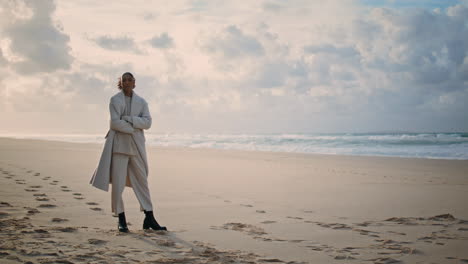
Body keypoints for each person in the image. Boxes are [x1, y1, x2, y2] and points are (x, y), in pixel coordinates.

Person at [89, 72, 167, 232]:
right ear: (121, 83)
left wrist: (129, 119)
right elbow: (114, 124)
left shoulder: (142, 101)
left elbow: (148, 123)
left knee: (142, 182)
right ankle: (121, 219)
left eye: (129, 79)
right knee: (118, 185)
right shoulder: (115, 100)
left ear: (134, 83)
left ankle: (149, 217)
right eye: (124, 80)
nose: (126, 82)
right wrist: (133, 129)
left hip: (136, 147)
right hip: (119, 147)